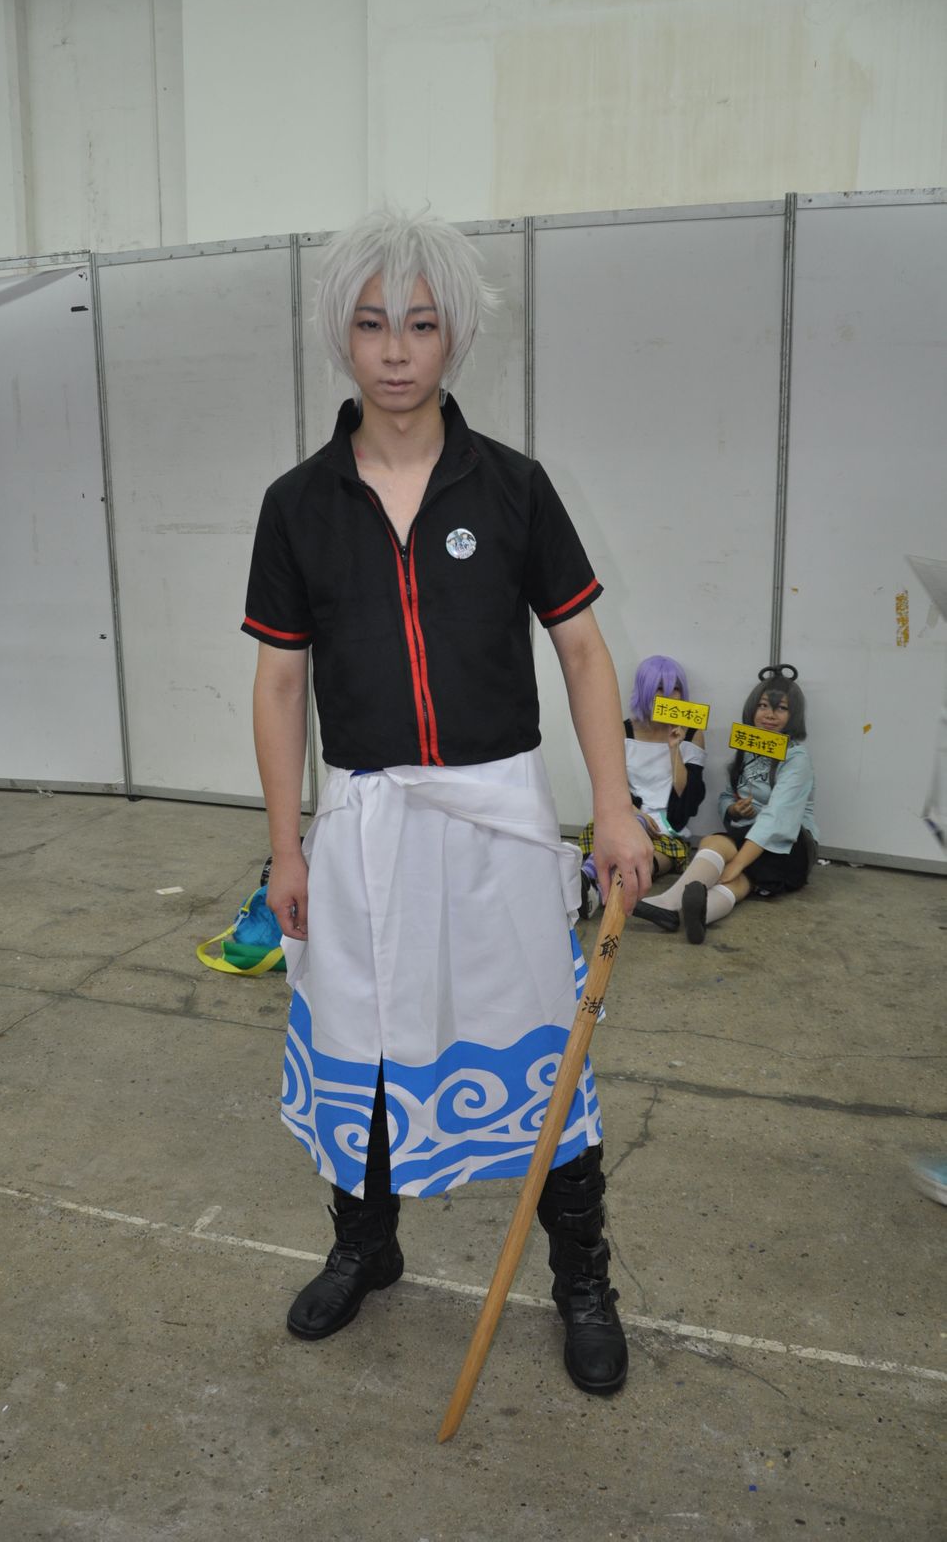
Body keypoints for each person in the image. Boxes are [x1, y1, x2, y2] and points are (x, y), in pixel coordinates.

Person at [242, 208, 652, 1396]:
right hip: (364, 821)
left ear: (454, 335)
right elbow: (278, 683)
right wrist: (284, 848)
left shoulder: (513, 486)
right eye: (373, 324)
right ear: (343, 336)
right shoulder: (298, 503)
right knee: (363, 1039)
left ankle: (582, 1278)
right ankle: (365, 1244)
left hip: (499, 821)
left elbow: (583, 651)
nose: (396, 350)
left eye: (420, 325)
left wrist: (614, 808)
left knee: (547, 1051)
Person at [633, 666, 817, 943]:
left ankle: (670, 903)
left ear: (794, 715)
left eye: (781, 708)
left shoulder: (797, 758)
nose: (769, 714)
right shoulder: (750, 747)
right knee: (743, 881)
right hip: (752, 840)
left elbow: (777, 818)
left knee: (719, 848)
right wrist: (732, 809)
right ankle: (701, 913)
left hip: (794, 845)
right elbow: (728, 797)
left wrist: (737, 862)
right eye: (763, 706)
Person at [578, 655, 706, 912]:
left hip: (668, 827)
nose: (669, 694)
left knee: (651, 860)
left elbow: (689, 797)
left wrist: (675, 748)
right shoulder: (623, 730)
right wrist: (632, 813)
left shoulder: (692, 732)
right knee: (619, 837)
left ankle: (592, 887)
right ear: (645, 690)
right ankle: (588, 881)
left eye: (675, 688)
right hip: (628, 814)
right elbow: (610, 783)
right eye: (659, 687)